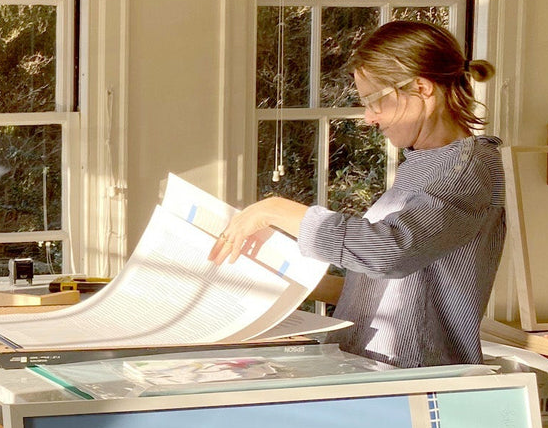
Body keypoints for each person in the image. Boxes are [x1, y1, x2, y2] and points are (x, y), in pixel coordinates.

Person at [211, 20, 503, 368]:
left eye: (375, 101)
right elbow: (397, 285)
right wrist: (284, 280)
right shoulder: (423, 163)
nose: (368, 118)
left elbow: (390, 251)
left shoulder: (467, 167)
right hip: (373, 370)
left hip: (412, 380)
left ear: (423, 89)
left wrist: (276, 209)